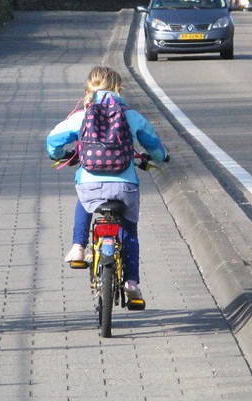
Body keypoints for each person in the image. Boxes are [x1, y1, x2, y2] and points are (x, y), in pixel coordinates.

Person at [46, 66, 168, 310]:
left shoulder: (82, 115)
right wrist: (161, 156)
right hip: (125, 188)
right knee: (130, 229)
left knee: (84, 200)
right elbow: (152, 142)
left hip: (91, 185)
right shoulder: (130, 114)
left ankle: (78, 247)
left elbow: (53, 140)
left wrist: (59, 154)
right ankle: (131, 283)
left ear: (89, 89)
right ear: (118, 88)